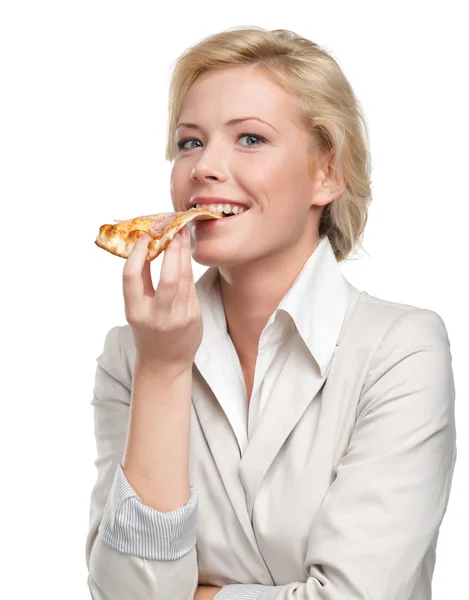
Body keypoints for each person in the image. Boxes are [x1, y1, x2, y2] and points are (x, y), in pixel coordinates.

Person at [85, 26, 457, 600]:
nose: (204, 168)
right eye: (190, 142)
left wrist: (201, 594)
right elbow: (125, 594)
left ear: (326, 174)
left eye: (250, 139)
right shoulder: (131, 356)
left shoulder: (401, 350)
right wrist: (161, 371)